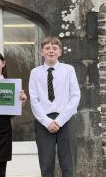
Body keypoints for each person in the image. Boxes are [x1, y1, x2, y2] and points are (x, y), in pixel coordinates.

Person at [29, 36, 80, 177]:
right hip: (43, 121)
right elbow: (34, 99)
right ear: (42, 52)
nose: (51, 51)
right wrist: (47, 122)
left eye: (54, 48)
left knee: (68, 162)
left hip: (66, 119)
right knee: (46, 163)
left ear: (60, 52)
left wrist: (59, 121)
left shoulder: (68, 70)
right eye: (47, 48)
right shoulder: (35, 73)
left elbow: (75, 96)